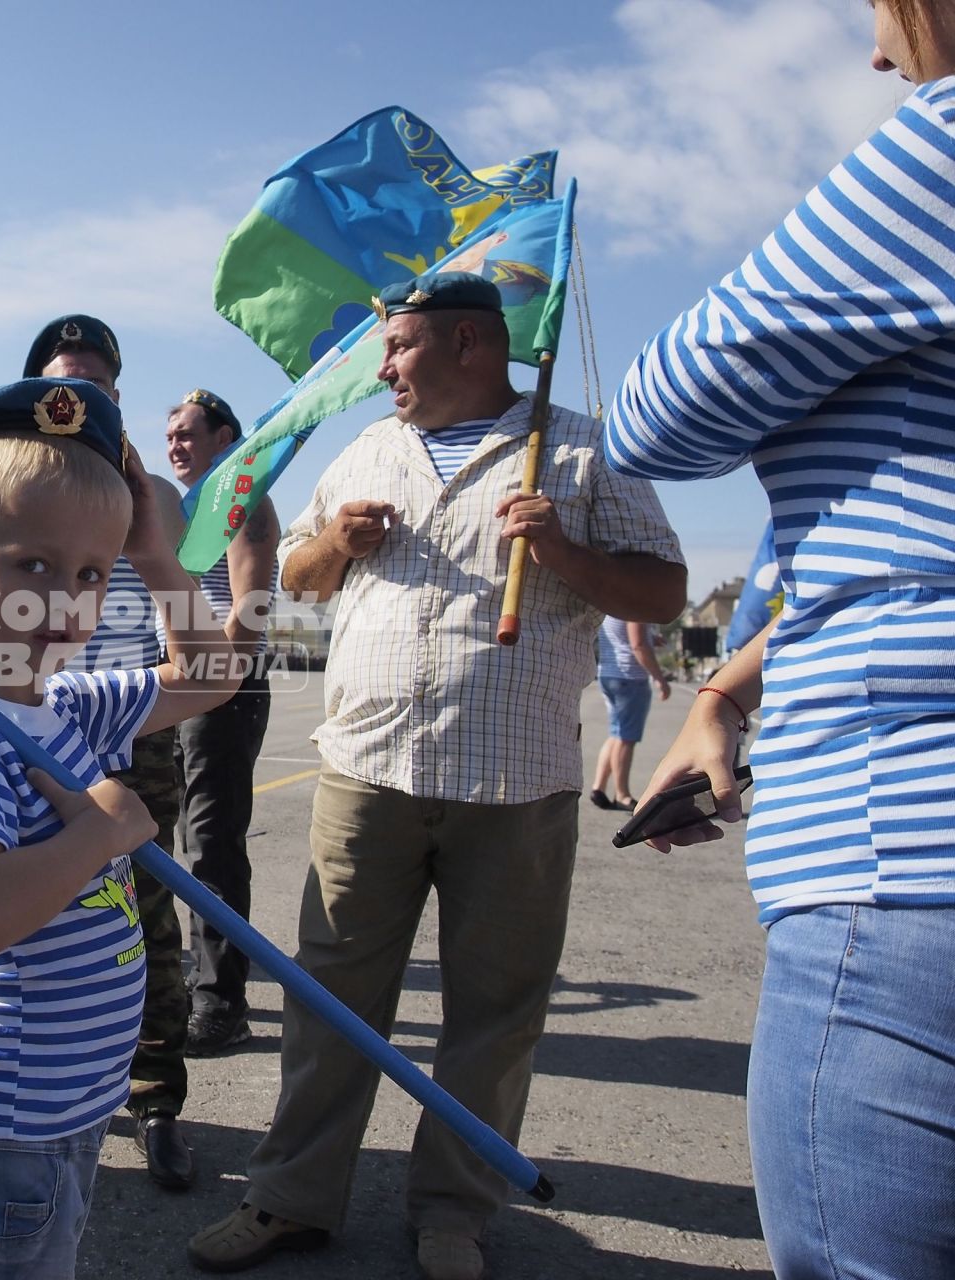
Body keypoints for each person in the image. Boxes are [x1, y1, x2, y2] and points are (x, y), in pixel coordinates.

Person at [189, 273, 685, 1280]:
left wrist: (561, 547)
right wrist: (336, 540)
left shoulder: (581, 448)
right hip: (367, 769)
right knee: (331, 999)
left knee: (495, 1012)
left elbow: (665, 589)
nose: (384, 369)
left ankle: (455, 1209)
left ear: (470, 343)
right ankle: (290, 1195)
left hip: (518, 782)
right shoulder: (369, 449)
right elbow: (294, 574)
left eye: (400, 348)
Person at [604, 4, 955, 1273]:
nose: (883, 57)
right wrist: (728, 689)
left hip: (925, 859)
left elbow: (662, 412)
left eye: (885, 12)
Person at [0, 377, 238, 1278]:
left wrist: (155, 555)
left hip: (68, 1110)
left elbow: (211, 676)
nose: (64, 601)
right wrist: (100, 831)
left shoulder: (69, 704)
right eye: (31, 566)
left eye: (91, 575)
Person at [20, 314, 198, 1189]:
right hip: (32, 723)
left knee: (149, 922)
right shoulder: (10, 486)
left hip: (133, 721)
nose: (86, 397)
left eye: (101, 385)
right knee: (39, 911)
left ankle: (158, 1098)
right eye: (68, 384)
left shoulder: (153, 496)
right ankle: (54, 1095)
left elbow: (195, 625)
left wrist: (144, 536)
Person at [161, 388, 279, 1057]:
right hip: (181, 686)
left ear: (225, 435)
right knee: (162, 837)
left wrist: (208, 687)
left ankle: (222, 1004)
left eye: (186, 433)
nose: (175, 444)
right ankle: (184, 977)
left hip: (220, 693)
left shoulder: (242, 501)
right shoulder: (191, 508)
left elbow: (250, 606)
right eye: (170, 435)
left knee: (211, 849)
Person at [587, 616, 671, 811]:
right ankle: (622, 794)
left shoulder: (612, 601)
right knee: (626, 738)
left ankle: (598, 787)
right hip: (629, 676)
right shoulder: (636, 604)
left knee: (617, 733)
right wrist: (660, 678)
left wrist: (650, 638)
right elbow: (639, 644)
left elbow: (626, 634)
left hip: (609, 673)